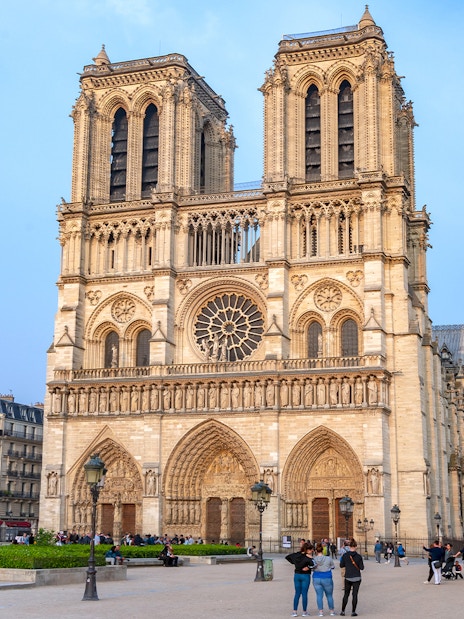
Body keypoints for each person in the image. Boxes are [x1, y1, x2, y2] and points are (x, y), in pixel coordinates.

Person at [286, 542, 315, 617]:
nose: (312, 551)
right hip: (305, 575)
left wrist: (294, 562)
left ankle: (294, 611)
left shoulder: (297, 555)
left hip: (297, 575)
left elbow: (287, 557)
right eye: (311, 549)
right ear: (308, 550)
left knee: (297, 593)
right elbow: (314, 564)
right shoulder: (308, 557)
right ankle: (304, 612)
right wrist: (309, 566)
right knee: (304, 593)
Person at [339, 538, 364, 617]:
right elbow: (362, 567)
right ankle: (353, 611)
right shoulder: (359, 556)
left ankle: (343, 611)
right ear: (356, 546)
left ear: (349, 546)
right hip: (356, 577)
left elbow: (341, 565)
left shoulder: (345, 555)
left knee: (346, 594)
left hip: (348, 576)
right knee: (355, 594)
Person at [312, 542, 336, 616]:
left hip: (316, 577)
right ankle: (331, 611)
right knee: (329, 595)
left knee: (319, 595)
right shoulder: (328, 558)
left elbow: (312, 568)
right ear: (322, 550)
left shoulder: (313, 559)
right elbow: (333, 566)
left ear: (316, 551)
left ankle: (321, 611)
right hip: (327, 577)